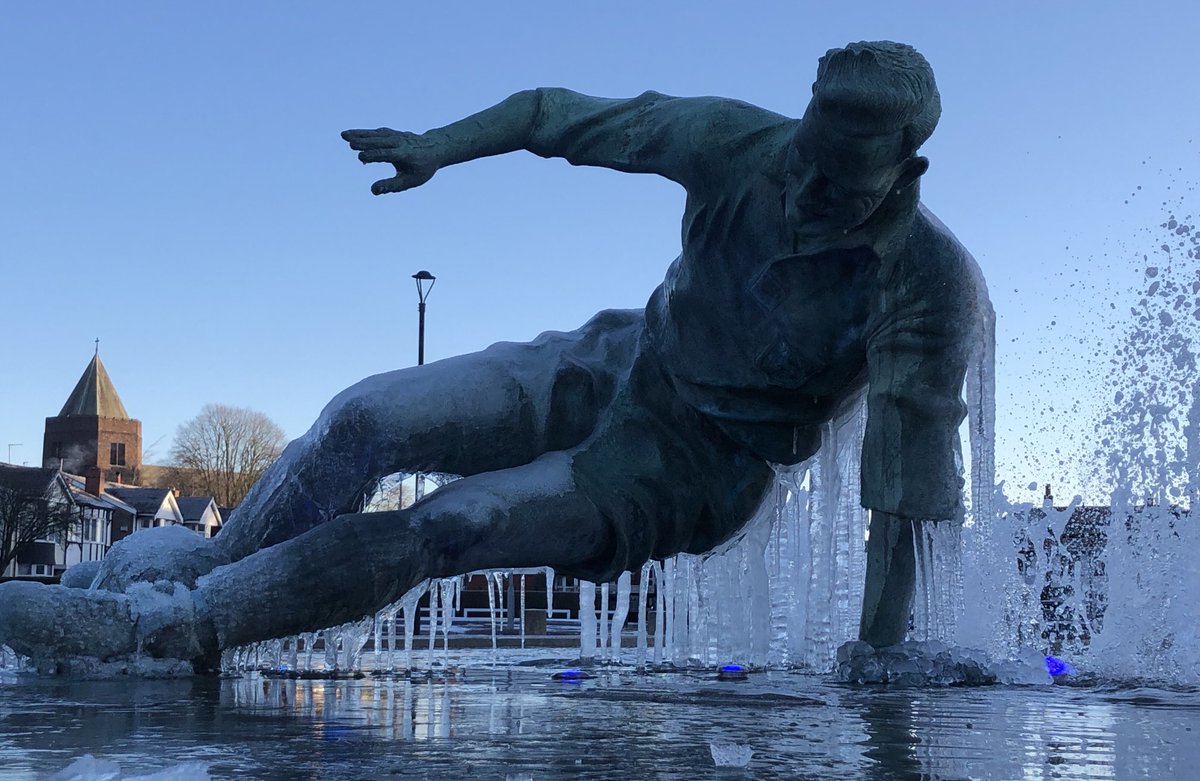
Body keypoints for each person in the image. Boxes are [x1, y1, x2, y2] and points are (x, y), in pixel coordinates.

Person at [0, 41, 985, 666]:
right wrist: (440, 143)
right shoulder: (739, 143)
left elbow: (898, 508)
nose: (808, 195)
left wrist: (879, 654)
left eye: (842, 187)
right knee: (363, 419)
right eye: (809, 160)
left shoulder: (926, 284)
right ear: (803, 117)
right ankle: (199, 569)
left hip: (689, 466)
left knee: (449, 529)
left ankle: (165, 631)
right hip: (615, 361)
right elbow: (553, 114)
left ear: (908, 164)